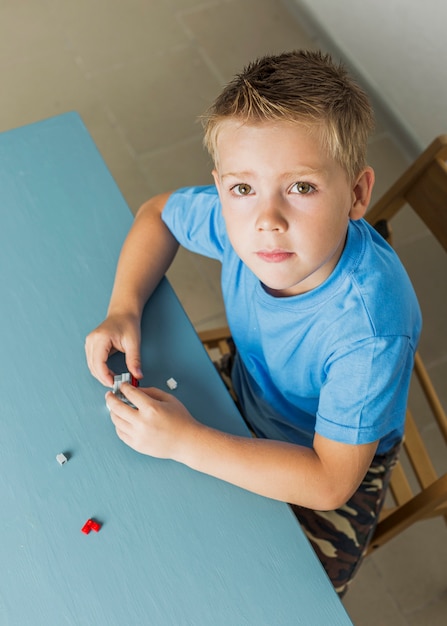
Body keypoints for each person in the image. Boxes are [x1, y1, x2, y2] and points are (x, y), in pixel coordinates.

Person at [85, 50, 421, 596]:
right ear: (223, 188)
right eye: (244, 188)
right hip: (250, 389)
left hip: (329, 457)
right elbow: (156, 214)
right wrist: (124, 306)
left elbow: (330, 483)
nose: (267, 220)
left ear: (357, 194)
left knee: (270, 589)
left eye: (302, 187)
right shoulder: (242, 224)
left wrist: (188, 443)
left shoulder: (369, 330)